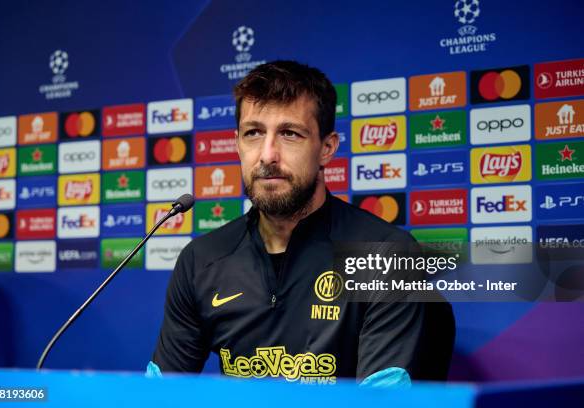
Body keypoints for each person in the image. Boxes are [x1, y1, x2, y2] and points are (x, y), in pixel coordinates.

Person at [151, 60, 454, 385]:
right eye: (253, 133)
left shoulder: (385, 256)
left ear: (326, 148)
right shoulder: (201, 260)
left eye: (289, 134)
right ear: (237, 143)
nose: (268, 155)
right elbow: (156, 397)